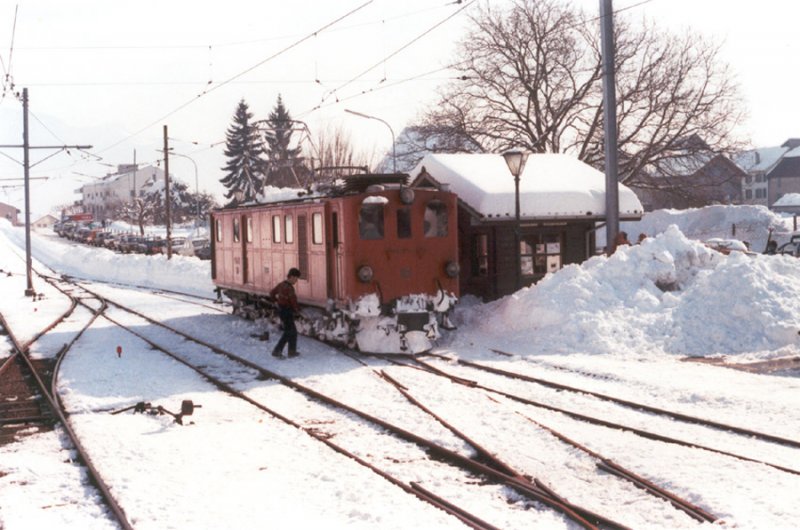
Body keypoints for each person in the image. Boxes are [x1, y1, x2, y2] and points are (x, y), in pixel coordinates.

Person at [269, 268, 301, 358]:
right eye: (296, 279)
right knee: (288, 332)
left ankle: (292, 351)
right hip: (287, 311)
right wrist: (298, 310)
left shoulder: (281, 284)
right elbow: (293, 302)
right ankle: (277, 351)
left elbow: (271, 293)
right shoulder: (289, 288)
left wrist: (275, 301)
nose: (296, 281)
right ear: (291, 277)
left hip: (281, 310)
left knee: (293, 331)